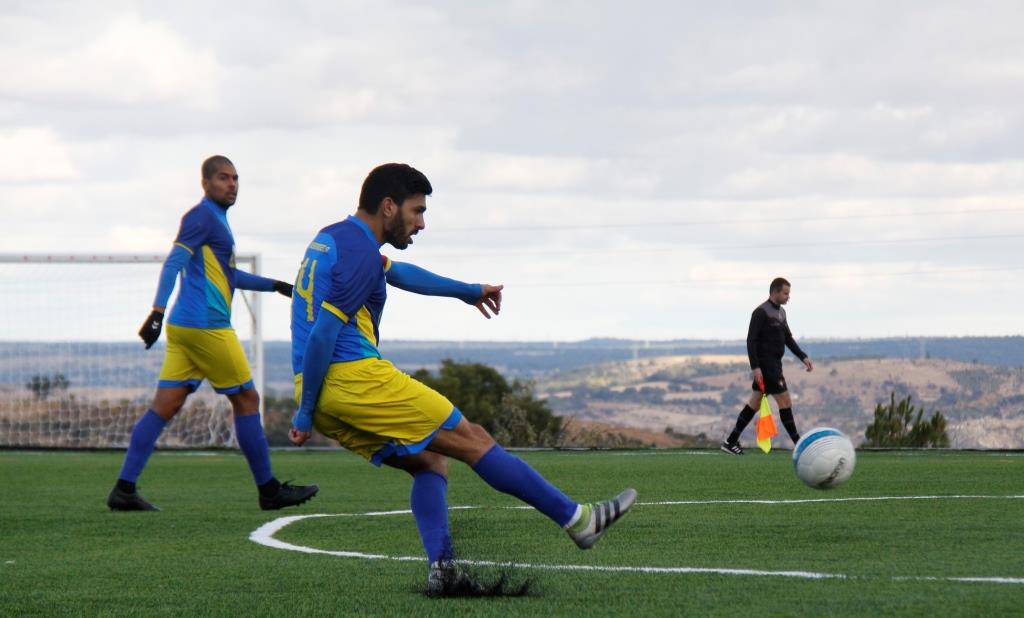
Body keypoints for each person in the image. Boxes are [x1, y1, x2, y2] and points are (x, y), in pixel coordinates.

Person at [289, 162, 636, 594]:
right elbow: (324, 332)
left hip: (323, 391)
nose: (421, 223)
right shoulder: (360, 253)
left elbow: (397, 273)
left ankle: (443, 570)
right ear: (389, 206)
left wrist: (469, 290)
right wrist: (302, 417)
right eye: (416, 212)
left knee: (431, 462)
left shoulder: (336, 238)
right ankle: (578, 520)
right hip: (353, 380)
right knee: (475, 440)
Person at [107, 155, 319, 511]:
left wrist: (276, 285)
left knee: (165, 406)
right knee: (247, 401)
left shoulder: (216, 220)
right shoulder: (202, 216)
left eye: (236, 179)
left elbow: (230, 275)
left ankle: (124, 490)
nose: (232, 184)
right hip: (206, 327)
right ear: (205, 183)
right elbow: (174, 262)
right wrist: (155, 312)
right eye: (224, 178)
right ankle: (269, 491)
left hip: (185, 329)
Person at [721, 277, 813, 455]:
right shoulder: (761, 312)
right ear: (775, 292)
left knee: (754, 403)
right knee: (785, 401)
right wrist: (755, 367)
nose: (788, 297)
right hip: (767, 367)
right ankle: (800, 445)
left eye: (789, 293)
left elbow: (788, 338)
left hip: (774, 365)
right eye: (785, 293)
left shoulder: (781, 313)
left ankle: (730, 441)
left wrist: (803, 356)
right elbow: (751, 341)